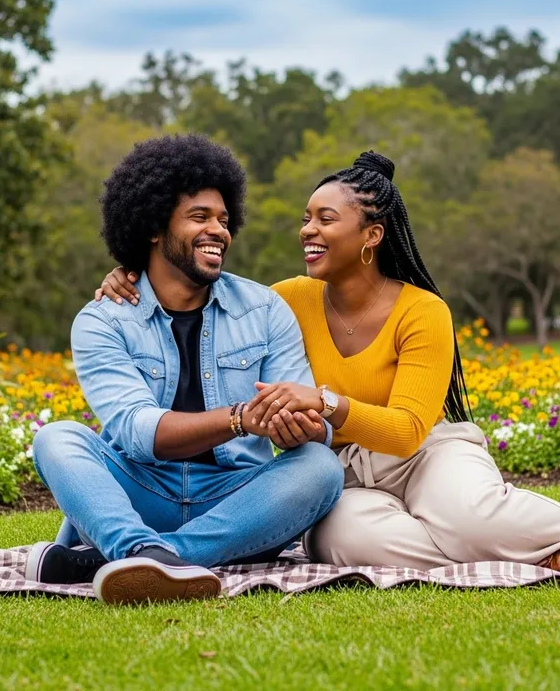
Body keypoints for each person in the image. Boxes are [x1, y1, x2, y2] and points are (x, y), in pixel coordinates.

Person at [99, 150, 560, 575]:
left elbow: (406, 431)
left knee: (465, 513)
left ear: (371, 235)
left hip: (426, 455)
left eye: (325, 219)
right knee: (345, 543)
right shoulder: (284, 301)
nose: (307, 230)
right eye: (306, 218)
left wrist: (326, 402)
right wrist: (133, 274)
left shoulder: (423, 311)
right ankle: (547, 559)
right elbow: (204, 291)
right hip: (340, 472)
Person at [29, 134, 344, 605]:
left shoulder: (265, 309)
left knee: (320, 467)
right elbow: (139, 432)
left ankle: (142, 558)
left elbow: (308, 417)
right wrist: (240, 418)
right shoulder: (103, 320)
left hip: (234, 501)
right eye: (200, 217)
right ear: (154, 227)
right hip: (140, 491)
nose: (218, 231)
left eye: (224, 220)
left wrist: (301, 425)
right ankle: (145, 549)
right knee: (57, 438)